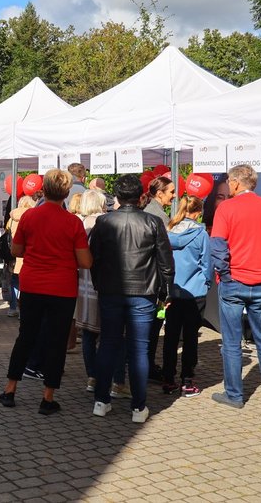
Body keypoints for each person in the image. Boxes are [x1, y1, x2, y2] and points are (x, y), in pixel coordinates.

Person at [0, 169, 92, 416]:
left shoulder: (29, 216)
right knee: (57, 340)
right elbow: (85, 261)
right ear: (66, 192)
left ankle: (10, 389)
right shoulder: (73, 222)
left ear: (44, 189)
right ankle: (47, 397)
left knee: (25, 336)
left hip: (32, 283)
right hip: (62, 286)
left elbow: (17, 250)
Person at [90, 174, 174, 423]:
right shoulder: (153, 222)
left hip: (112, 291)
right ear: (141, 197)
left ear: (116, 197)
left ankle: (101, 401)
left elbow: (93, 258)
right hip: (143, 293)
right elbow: (165, 262)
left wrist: (99, 284)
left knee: (108, 345)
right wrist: (166, 292)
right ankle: (138, 407)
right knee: (139, 350)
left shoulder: (104, 222)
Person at [210, 163, 261, 409]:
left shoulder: (226, 209)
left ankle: (234, 395)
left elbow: (218, 247)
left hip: (234, 283)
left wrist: (225, 275)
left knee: (232, 342)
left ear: (234, 183)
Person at [161, 195, 212, 397]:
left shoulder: (169, 230)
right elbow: (207, 263)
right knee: (191, 337)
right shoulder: (201, 234)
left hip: (173, 290)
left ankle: (168, 378)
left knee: (170, 336)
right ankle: (187, 379)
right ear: (198, 212)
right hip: (195, 291)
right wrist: (206, 282)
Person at [140, 175, 175, 382]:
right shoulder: (157, 216)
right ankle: (148, 366)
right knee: (153, 326)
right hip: (155, 282)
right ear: (159, 193)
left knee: (152, 325)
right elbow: (163, 253)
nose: (174, 195)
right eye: (171, 191)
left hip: (149, 279)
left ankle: (146, 364)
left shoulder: (153, 212)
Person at [76, 190, 107, 392]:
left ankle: (92, 377)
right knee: (107, 333)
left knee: (87, 333)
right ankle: (108, 377)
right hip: (103, 282)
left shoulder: (78, 223)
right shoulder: (105, 223)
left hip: (82, 283)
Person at [4, 196, 35, 320]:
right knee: (26, 284)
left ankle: (12, 307)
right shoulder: (32, 218)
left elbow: (7, 232)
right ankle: (23, 310)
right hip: (26, 254)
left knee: (14, 282)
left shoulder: (12, 218)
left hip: (13, 254)